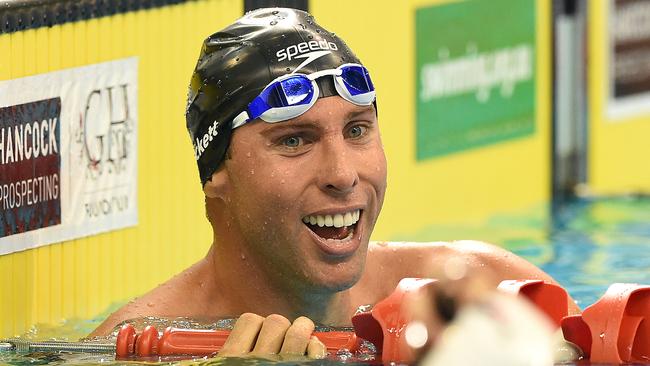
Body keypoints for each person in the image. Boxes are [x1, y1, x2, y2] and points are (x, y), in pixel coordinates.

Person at [91, 7, 580, 359]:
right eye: (294, 141)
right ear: (216, 171)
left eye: (357, 130)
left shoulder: (495, 285)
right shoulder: (134, 347)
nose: (343, 174)